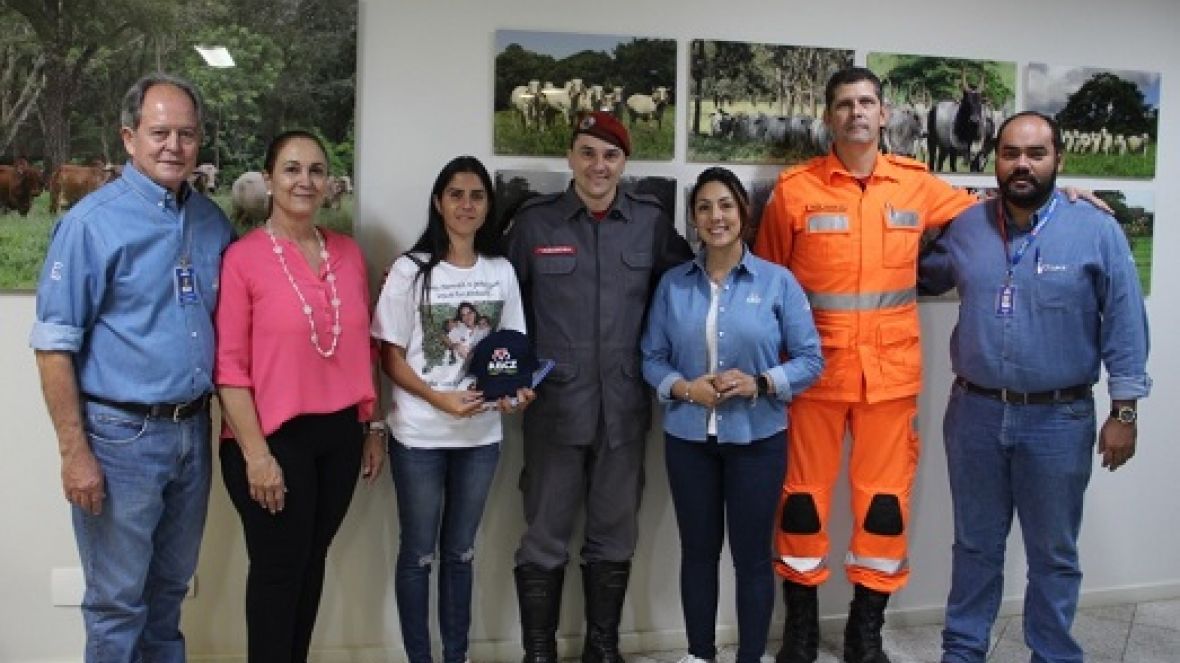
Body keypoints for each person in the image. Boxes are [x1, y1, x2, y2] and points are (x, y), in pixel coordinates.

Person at [918, 112, 1150, 663]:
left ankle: (1052, 653)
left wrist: (1125, 411)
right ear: (994, 158)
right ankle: (964, 650)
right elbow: (914, 266)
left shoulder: (1095, 228)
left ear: (1058, 160)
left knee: (1054, 553)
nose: (1022, 164)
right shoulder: (968, 227)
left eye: (1036, 153)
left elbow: (1125, 321)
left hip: (1058, 419)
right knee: (975, 546)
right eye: (1010, 153)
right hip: (974, 414)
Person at [29, 73, 234, 662]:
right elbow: (53, 346)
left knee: (169, 596)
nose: (174, 146)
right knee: (118, 603)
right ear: (129, 137)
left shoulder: (212, 222)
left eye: (187, 134)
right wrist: (74, 453)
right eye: (160, 132)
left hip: (193, 432)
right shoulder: (91, 224)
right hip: (120, 439)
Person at [504, 110, 693, 663]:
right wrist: (512, 380)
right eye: (588, 152)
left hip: (625, 411)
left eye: (610, 155)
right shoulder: (536, 224)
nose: (598, 165)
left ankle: (602, 648)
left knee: (615, 534)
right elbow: (504, 309)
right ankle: (539, 652)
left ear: (624, 163)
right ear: (570, 157)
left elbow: (682, 295)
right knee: (543, 535)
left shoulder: (650, 222)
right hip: (554, 409)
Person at [640, 167, 823, 663]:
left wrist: (761, 382)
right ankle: (700, 654)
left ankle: (748, 657)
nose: (715, 217)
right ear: (694, 219)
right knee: (698, 556)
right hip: (688, 441)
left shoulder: (778, 282)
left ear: (743, 212)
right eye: (703, 207)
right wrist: (682, 387)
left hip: (758, 441)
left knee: (751, 561)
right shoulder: (673, 285)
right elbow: (650, 358)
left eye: (724, 205)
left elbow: (811, 359)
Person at [214, 130, 384, 662]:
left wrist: (372, 425)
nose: (304, 181)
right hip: (269, 438)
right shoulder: (242, 258)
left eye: (315, 169)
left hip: (338, 435)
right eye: (291, 169)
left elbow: (365, 349)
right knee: (278, 568)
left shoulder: (350, 254)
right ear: (268, 179)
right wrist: (256, 456)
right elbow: (229, 369)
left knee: (312, 562)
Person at [371, 155, 535, 663]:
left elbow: (510, 356)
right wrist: (439, 398)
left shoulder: (501, 271)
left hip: (480, 440)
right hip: (419, 436)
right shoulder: (410, 270)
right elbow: (390, 358)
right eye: (456, 195)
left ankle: (456, 655)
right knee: (419, 556)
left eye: (477, 195)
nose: (467, 204)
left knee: (461, 554)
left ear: (489, 206)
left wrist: (514, 394)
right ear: (439, 203)